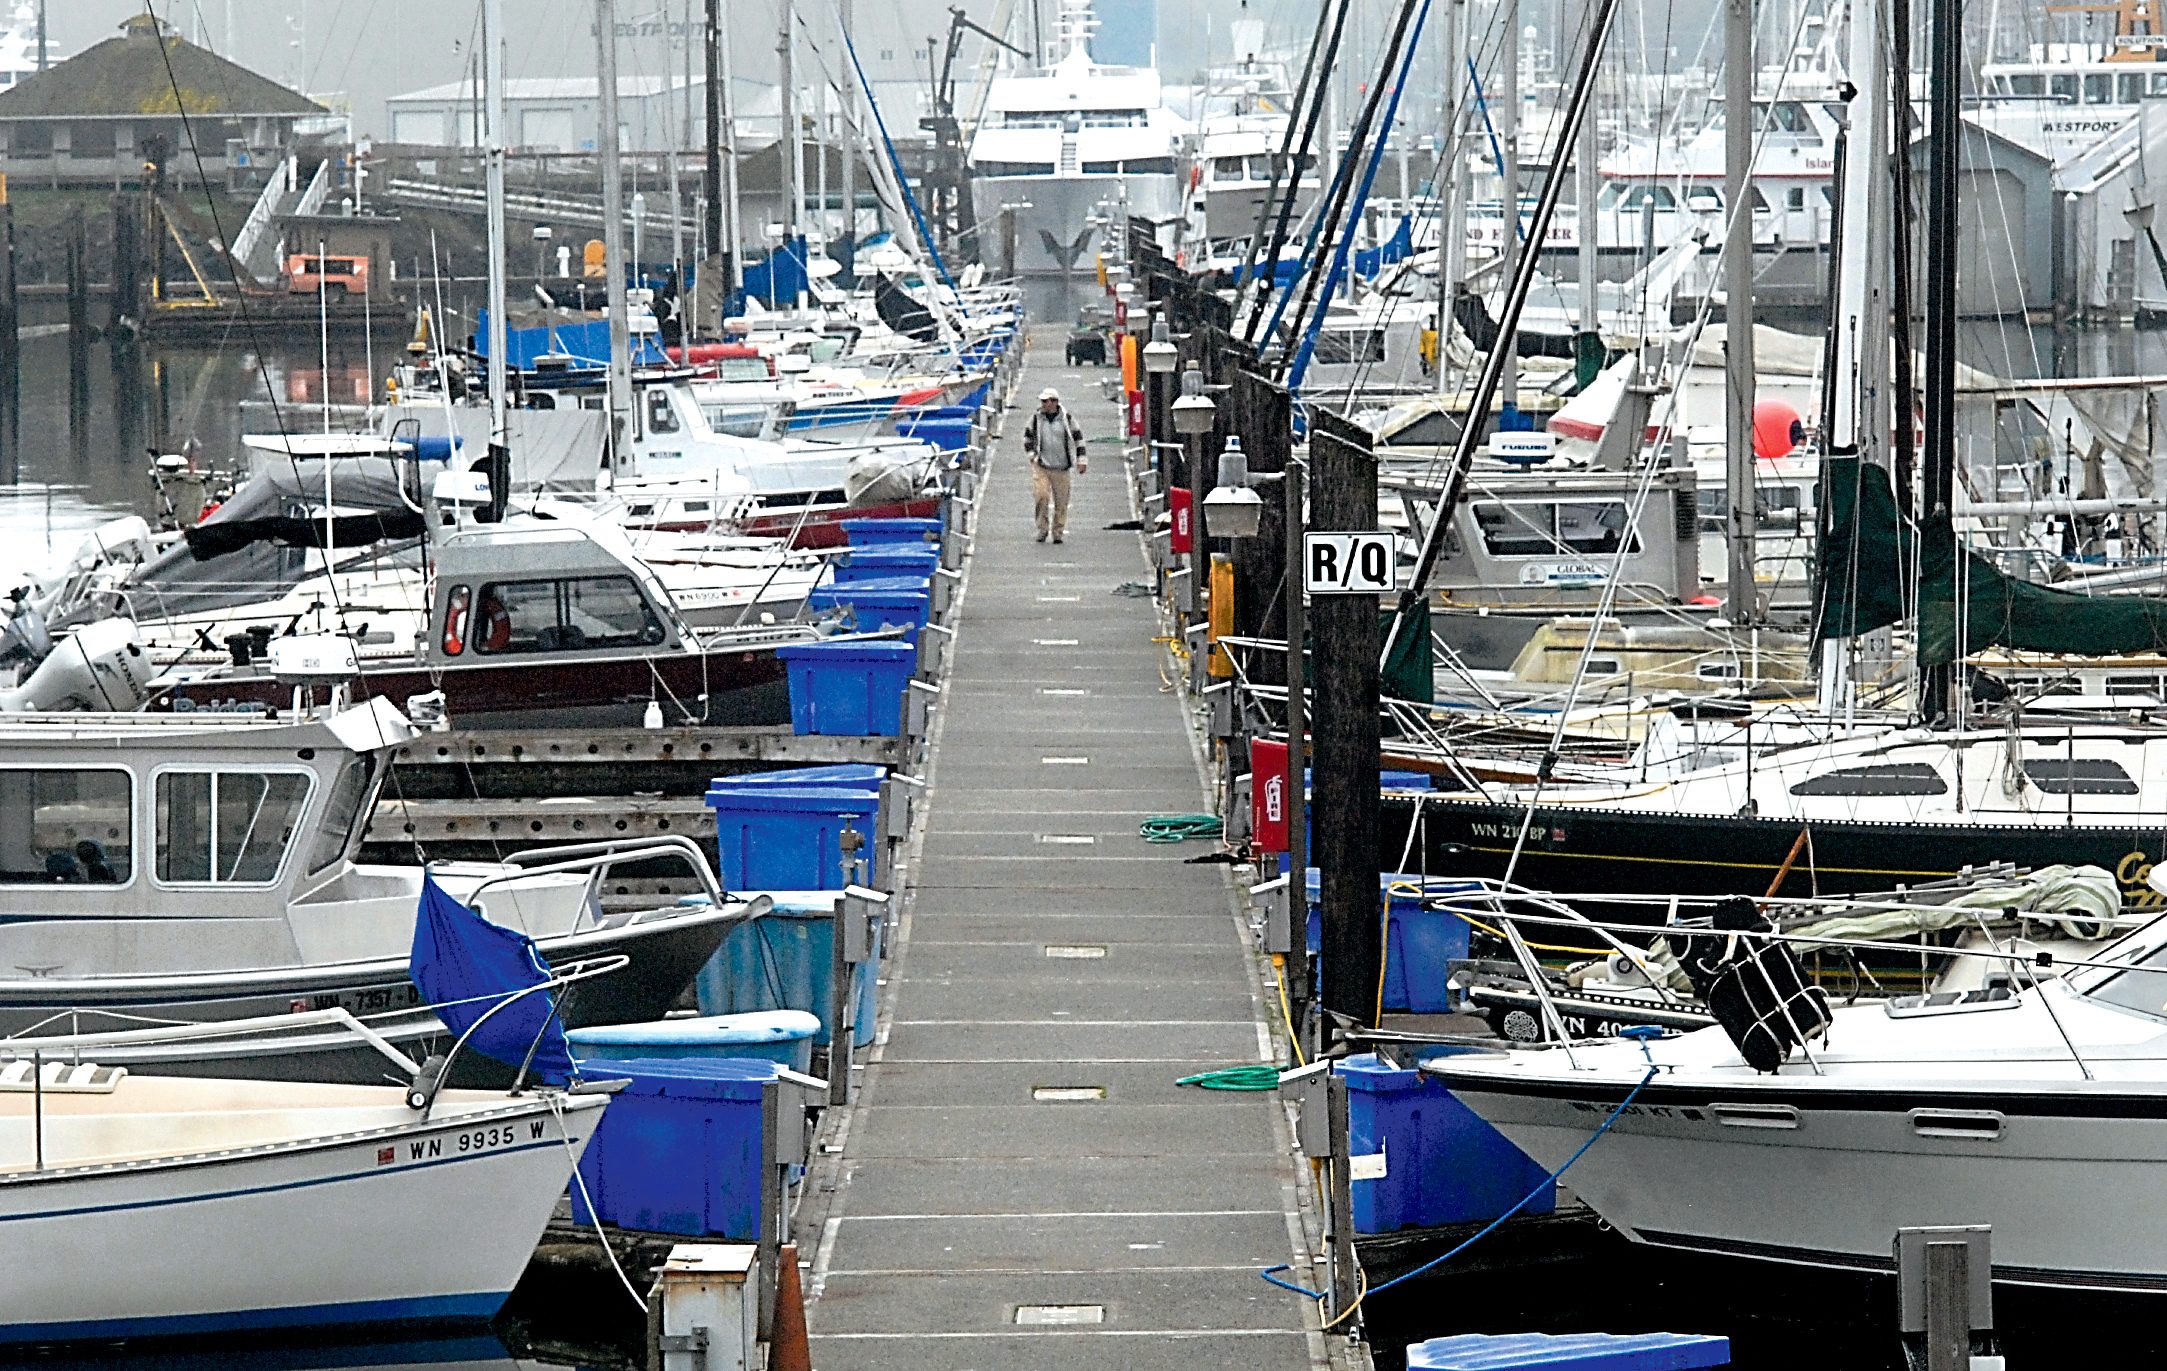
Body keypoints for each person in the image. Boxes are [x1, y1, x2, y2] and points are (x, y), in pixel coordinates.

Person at [1023, 387, 1087, 543]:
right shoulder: (1036, 419)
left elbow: (1078, 439)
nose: (1044, 404)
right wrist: (1033, 457)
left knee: (1061, 501)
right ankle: (1042, 529)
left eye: (1046, 401)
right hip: (1042, 465)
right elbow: (1027, 438)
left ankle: (1058, 531)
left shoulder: (1067, 419)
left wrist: (1081, 460)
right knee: (1041, 496)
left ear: (1055, 402)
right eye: (1042, 401)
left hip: (1061, 467)